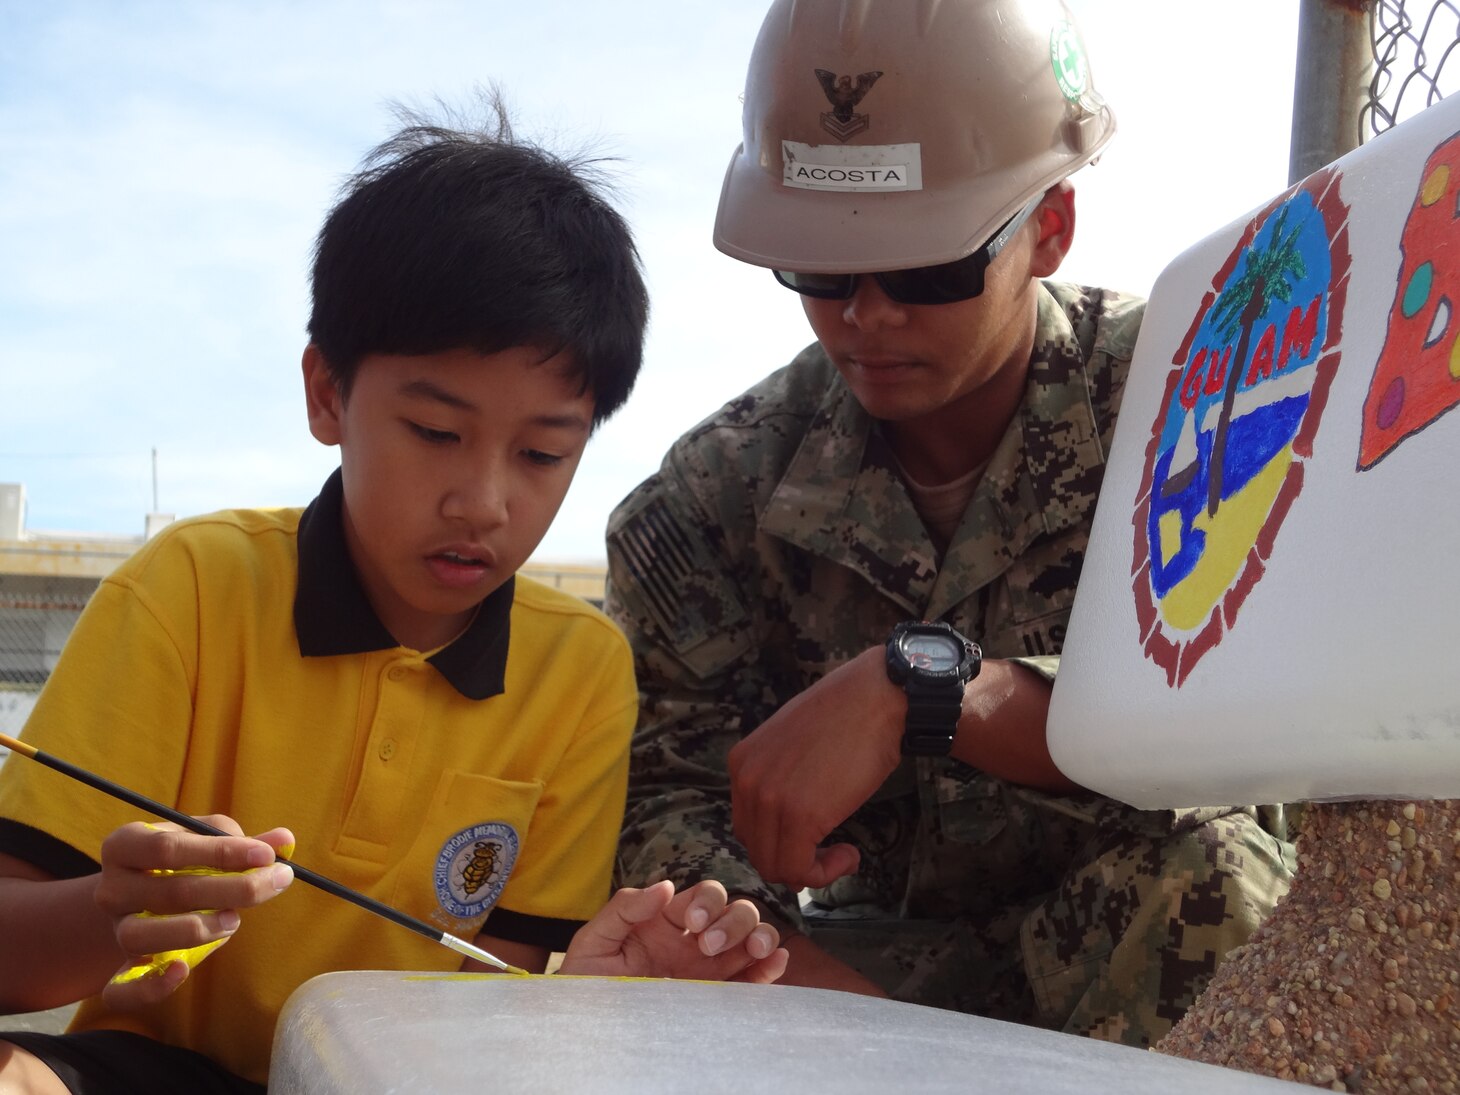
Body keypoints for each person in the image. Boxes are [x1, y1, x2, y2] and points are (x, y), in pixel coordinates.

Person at [0, 102, 787, 1095]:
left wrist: (585, 1000)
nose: (484, 502)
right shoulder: (190, 589)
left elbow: (505, 998)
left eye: (543, 453)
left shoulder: (578, 673)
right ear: (327, 394)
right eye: (433, 432)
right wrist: (108, 913)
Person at [606, 0, 1294, 1048]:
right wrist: (816, 1000)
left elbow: (1261, 726)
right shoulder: (711, 499)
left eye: (928, 270)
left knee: (1219, 879)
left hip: (1148, 961)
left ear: (1049, 230)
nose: (865, 316)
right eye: (819, 270)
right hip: (846, 979)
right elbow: (666, 802)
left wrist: (931, 691)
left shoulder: (1189, 408)